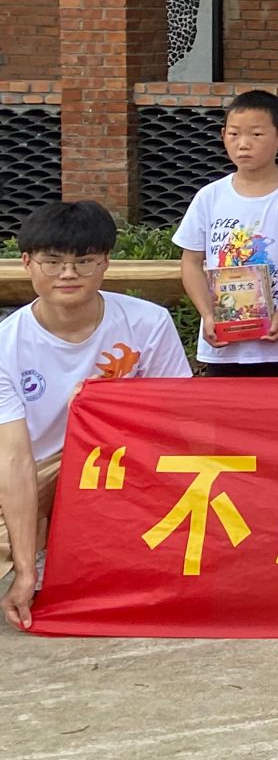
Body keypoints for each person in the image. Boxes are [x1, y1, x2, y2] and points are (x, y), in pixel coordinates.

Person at [0, 200, 190, 626]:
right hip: (40, 470)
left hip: (123, 460)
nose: (68, 274)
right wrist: (25, 571)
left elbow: (177, 420)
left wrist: (105, 407)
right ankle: (38, 556)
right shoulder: (5, 344)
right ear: (27, 263)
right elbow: (13, 459)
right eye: (53, 261)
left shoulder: (148, 323)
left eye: (84, 261)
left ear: (105, 263)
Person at [173, 89, 278, 376]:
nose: (243, 144)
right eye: (234, 134)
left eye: (256, 134)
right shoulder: (209, 197)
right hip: (223, 344)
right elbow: (190, 261)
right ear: (223, 135)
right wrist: (208, 315)